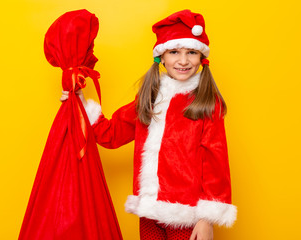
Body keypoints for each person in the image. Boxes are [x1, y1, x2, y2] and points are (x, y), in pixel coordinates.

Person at [61, 9, 236, 240]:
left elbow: (216, 163)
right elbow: (111, 135)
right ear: (161, 57)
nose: (183, 61)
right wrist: (81, 102)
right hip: (149, 213)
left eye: (191, 52)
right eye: (174, 52)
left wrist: (207, 219)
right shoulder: (148, 97)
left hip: (187, 217)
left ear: (202, 58)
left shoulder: (206, 102)